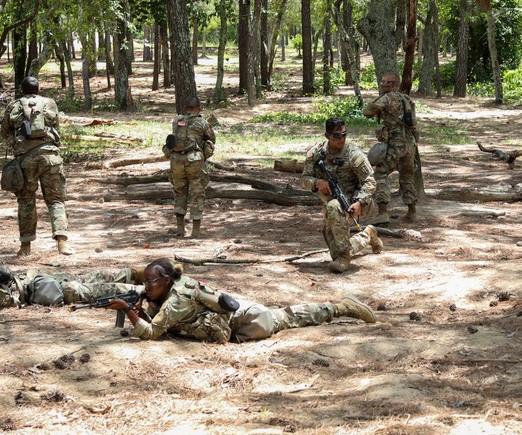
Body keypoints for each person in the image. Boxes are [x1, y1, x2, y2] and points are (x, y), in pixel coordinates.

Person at [108, 258, 378, 343]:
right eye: (144, 283)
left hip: (249, 320)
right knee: (290, 316)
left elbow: (154, 332)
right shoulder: (171, 289)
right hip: (237, 320)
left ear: (166, 280)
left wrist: (129, 312)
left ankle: (343, 307)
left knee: (292, 317)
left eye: (150, 283)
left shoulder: (178, 298)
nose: (147, 287)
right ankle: (340, 307)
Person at [0, 241, 142, 312]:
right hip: (29, 280)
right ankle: (133, 273)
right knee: (85, 278)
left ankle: (142, 290)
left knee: (86, 290)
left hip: (35, 290)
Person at [301, 118, 383, 273]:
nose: (341, 139)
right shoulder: (316, 153)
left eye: (344, 135)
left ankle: (345, 257)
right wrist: (317, 182)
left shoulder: (353, 154)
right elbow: (304, 178)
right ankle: (367, 234)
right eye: (336, 136)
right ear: (327, 135)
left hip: (356, 203)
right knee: (334, 251)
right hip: (331, 203)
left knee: (334, 209)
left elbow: (370, 181)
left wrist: (360, 201)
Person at [1, 76, 72, 256]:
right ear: (38, 90)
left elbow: (5, 131)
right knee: (56, 200)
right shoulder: (50, 104)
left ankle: (25, 247)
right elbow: (56, 128)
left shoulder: (14, 106)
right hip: (50, 158)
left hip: (25, 160)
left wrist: (17, 146)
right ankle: (62, 242)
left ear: (22, 91)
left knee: (26, 200)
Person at [362, 72, 420, 223]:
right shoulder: (407, 99)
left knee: (380, 174)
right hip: (410, 145)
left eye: (386, 82)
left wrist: (378, 110)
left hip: (394, 145)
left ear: (394, 85)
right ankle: (412, 211)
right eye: (382, 82)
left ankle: (382, 212)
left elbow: (367, 111)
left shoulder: (386, 99)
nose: (382, 85)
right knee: (407, 177)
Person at [163, 95, 216, 237]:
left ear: (185, 107)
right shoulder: (202, 123)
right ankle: (196, 230)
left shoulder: (176, 120)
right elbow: (211, 138)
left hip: (176, 160)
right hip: (194, 160)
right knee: (197, 193)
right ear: (199, 108)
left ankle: (180, 228)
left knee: (179, 192)